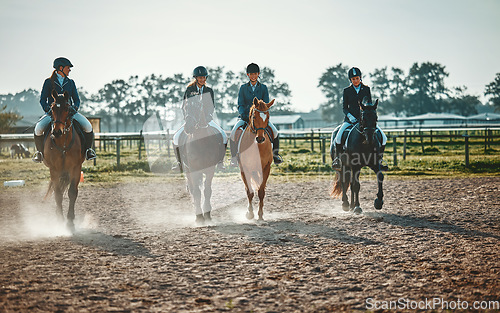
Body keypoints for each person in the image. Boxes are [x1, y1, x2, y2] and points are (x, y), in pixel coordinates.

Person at [33, 57, 96, 162]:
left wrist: (74, 108)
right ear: (60, 68)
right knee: (38, 128)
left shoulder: (70, 82)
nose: (69, 70)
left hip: (69, 112)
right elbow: (43, 99)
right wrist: (47, 109)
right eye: (68, 68)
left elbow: (76, 99)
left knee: (88, 126)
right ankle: (40, 153)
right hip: (53, 113)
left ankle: (88, 151)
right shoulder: (48, 82)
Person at [171, 66, 227, 172]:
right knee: (176, 137)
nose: (202, 79)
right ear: (196, 78)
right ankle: (179, 163)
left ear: (206, 78)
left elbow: (211, 106)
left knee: (223, 135)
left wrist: (207, 117)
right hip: (191, 120)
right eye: (200, 77)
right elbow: (184, 106)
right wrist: (187, 118)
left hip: (207, 120)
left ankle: (220, 162)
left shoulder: (209, 90)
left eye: (204, 77)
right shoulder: (190, 90)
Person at [332, 67, 388, 170]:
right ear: (350, 80)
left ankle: (380, 160)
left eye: (357, 78)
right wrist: (351, 117)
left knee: (384, 138)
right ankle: (338, 160)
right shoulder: (347, 91)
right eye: (353, 79)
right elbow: (345, 108)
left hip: (366, 121)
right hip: (350, 120)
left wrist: (367, 116)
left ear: (360, 78)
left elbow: (369, 104)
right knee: (338, 138)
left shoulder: (366, 89)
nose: (355, 80)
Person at [229, 63, 282, 166]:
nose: (253, 76)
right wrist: (245, 115)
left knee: (275, 132)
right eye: (251, 74)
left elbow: (265, 104)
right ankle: (234, 158)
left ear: (258, 74)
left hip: (260, 118)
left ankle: (275, 156)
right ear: (248, 75)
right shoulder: (243, 88)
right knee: (233, 133)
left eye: (255, 74)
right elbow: (240, 104)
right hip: (245, 117)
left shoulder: (263, 88)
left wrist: (261, 114)